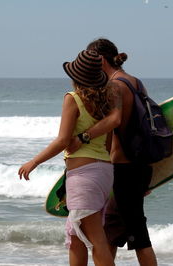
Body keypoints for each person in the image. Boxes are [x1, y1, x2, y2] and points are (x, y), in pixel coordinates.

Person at [18, 50, 115, 266]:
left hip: (83, 176)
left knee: (97, 241)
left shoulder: (73, 99)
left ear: (75, 76)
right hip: (104, 173)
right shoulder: (106, 102)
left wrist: (34, 162)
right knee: (75, 237)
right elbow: (109, 144)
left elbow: (63, 140)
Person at [67, 38, 158, 266]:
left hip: (123, 167)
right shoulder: (136, 83)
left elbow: (114, 120)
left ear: (100, 60)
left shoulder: (115, 85)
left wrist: (83, 137)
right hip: (138, 166)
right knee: (111, 232)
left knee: (137, 235)